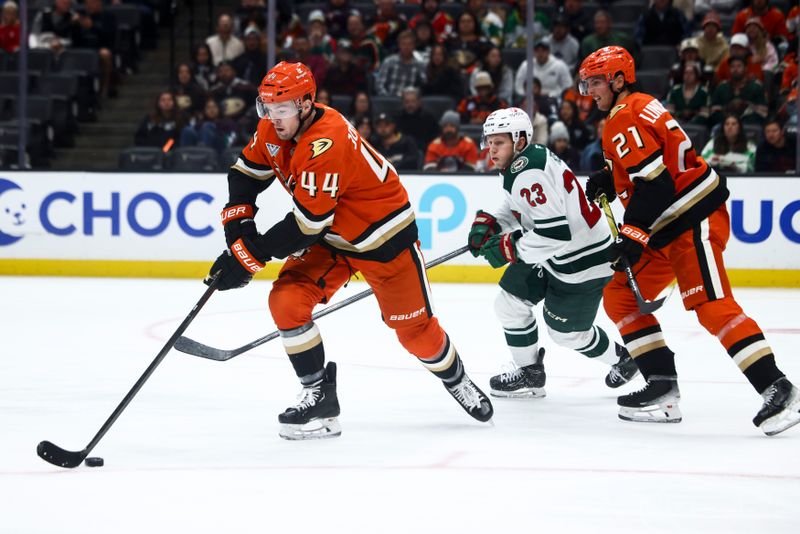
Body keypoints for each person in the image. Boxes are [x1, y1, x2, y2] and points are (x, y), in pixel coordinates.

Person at [206, 62, 493, 440]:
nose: (274, 119)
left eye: (284, 109)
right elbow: (244, 175)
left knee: (416, 335)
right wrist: (237, 234)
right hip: (331, 238)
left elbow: (307, 224)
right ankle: (318, 394)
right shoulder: (272, 129)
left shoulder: (327, 141)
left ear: (307, 104)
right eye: (267, 108)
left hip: (382, 241)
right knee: (286, 301)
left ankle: (456, 379)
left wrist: (248, 255)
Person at [579, 45, 800, 435]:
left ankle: (778, 388)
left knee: (711, 305)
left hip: (690, 220)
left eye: (595, 82)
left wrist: (632, 232)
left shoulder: (622, 117)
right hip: (667, 224)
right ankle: (662, 389)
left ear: (617, 79)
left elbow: (658, 183)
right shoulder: (640, 104)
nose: (589, 90)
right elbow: (649, 165)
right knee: (620, 295)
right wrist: (611, 178)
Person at [469, 107, 638, 398]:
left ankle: (622, 359)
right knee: (509, 304)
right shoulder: (525, 160)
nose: (491, 149)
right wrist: (495, 222)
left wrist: (509, 248)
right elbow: (527, 210)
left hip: (583, 261)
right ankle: (530, 374)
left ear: (520, 140)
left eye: (499, 142)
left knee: (566, 335)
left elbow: (555, 234)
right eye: (489, 141)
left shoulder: (526, 171)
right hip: (556, 254)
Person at [375, 29, 426, 97]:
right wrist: (386, 97)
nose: (406, 47)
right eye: (404, 44)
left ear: (414, 46)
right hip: (389, 99)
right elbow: (379, 84)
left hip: (409, 101)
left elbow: (424, 86)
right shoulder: (389, 61)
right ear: (399, 45)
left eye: (409, 44)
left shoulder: (419, 65)